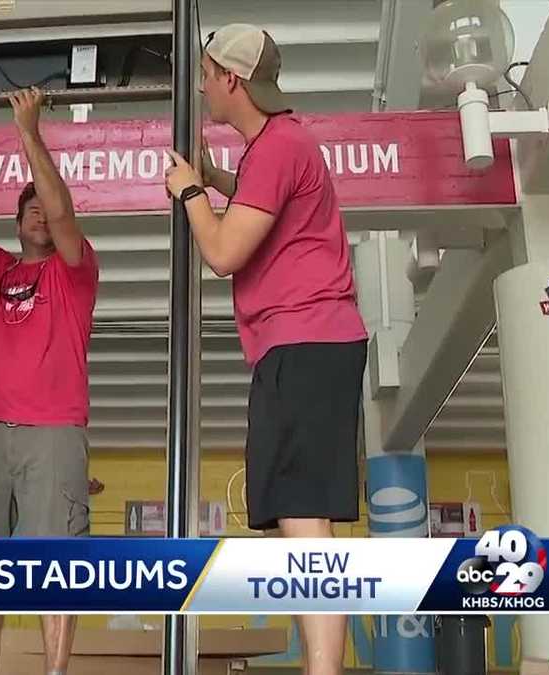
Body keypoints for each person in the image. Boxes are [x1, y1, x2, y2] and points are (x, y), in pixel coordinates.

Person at [163, 24, 368, 675]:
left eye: (205, 72)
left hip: (307, 342)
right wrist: (214, 176)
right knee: (293, 514)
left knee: (304, 517)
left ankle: (324, 669)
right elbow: (256, 199)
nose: (200, 84)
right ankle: (321, 663)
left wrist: (190, 191)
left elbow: (222, 252)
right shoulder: (271, 148)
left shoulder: (279, 148)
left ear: (231, 79)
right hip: (300, 345)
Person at [0, 87, 99, 675]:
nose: (38, 209)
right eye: (26, 205)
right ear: (13, 222)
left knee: (56, 559)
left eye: (45, 204)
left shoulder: (75, 269)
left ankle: (55, 671)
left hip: (51, 429)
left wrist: (29, 132)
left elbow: (61, 213)